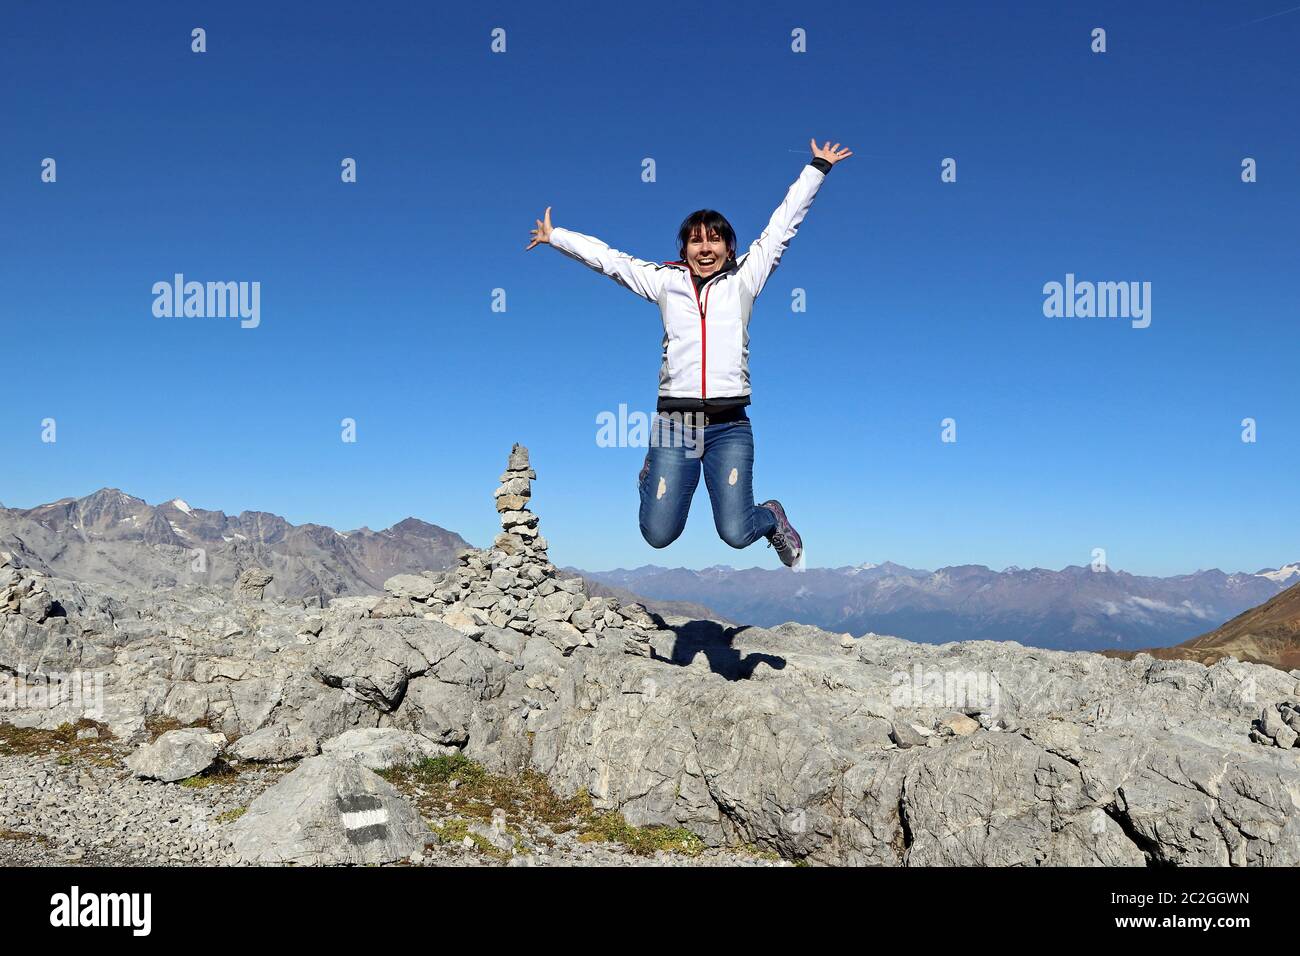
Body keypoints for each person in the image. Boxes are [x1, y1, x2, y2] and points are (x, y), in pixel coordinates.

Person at [526, 139, 852, 568]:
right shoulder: (664, 282)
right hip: (674, 425)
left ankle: (771, 517)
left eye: (715, 240)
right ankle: (652, 473)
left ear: (729, 248)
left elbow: (782, 226)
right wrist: (557, 238)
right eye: (696, 241)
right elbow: (611, 261)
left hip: (729, 428)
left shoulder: (745, 280)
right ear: (684, 250)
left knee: (736, 533)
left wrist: (817, 168)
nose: (705, 248)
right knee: (658, 534)